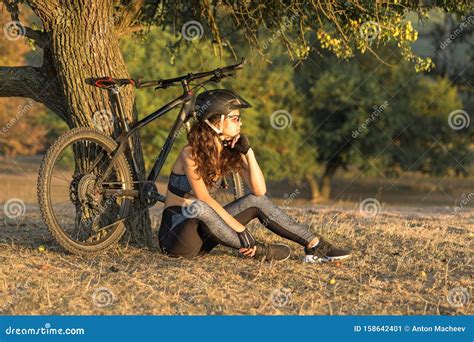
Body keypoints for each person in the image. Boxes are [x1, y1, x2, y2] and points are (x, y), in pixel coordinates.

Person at [158, 89, 351, 262]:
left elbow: (259, 191)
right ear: (217, 121)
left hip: (204, 241)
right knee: (198, 206)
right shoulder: (190, 153)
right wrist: (240, 229)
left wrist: (248, 152)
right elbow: (204, 199)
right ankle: (259, 250)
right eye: (235, 118)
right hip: (176, 238)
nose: (240, 123)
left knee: (256, 200)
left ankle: (316, 246)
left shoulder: (227, 151)